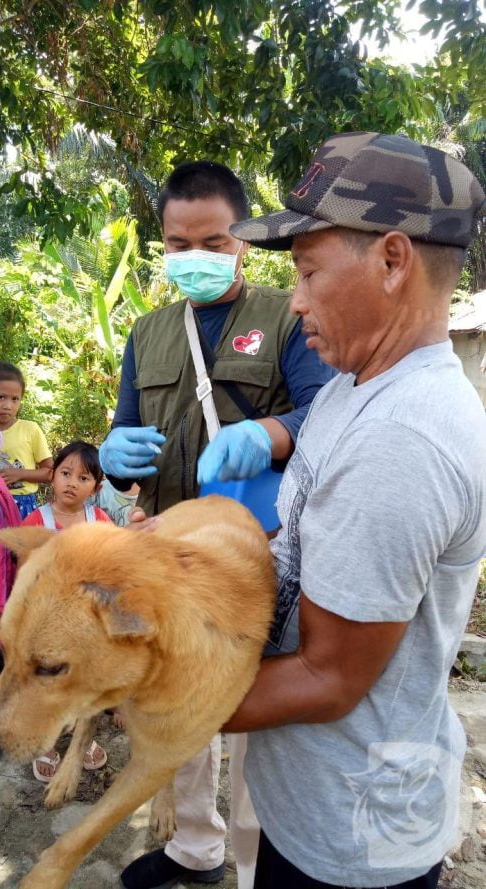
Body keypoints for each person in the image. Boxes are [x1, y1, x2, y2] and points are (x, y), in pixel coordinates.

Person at [193, 131, 485, 889]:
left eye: (308, 271)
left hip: (351, 841)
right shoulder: (357, 384)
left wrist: (166, 700)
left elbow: (329, 678)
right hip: (317, 800)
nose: (294, 299)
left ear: (392, 261)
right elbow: (297, 538)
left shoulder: (402, 440)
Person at [100, 161, 335, 889]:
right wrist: (113, 460)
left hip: (256, 555)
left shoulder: (288, 315)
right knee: (185, 704)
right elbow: (124, 440)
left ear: (240, 239)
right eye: (176, 243)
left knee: (256, 712)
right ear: (161, 244)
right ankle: (194, 848)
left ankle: (255, 858)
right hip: (170, 551)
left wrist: (268, 434)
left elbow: (325, 413)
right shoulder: (148, 332)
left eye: (211, 240)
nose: (192, 256)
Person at [23, 440, 112, 782]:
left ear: (96, 488)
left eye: (84, 477)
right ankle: (43, 745)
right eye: (65, 473)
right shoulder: (37, 521)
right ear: (52, 476)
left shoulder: (99, 519)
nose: (72, 482)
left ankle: (81, 740)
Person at [0, 362, 53, 518]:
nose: (8, 405)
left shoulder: (30, 430)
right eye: (1, 397)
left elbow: (50, 473)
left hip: (21, 507)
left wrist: (20, 474)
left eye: (15, 399)